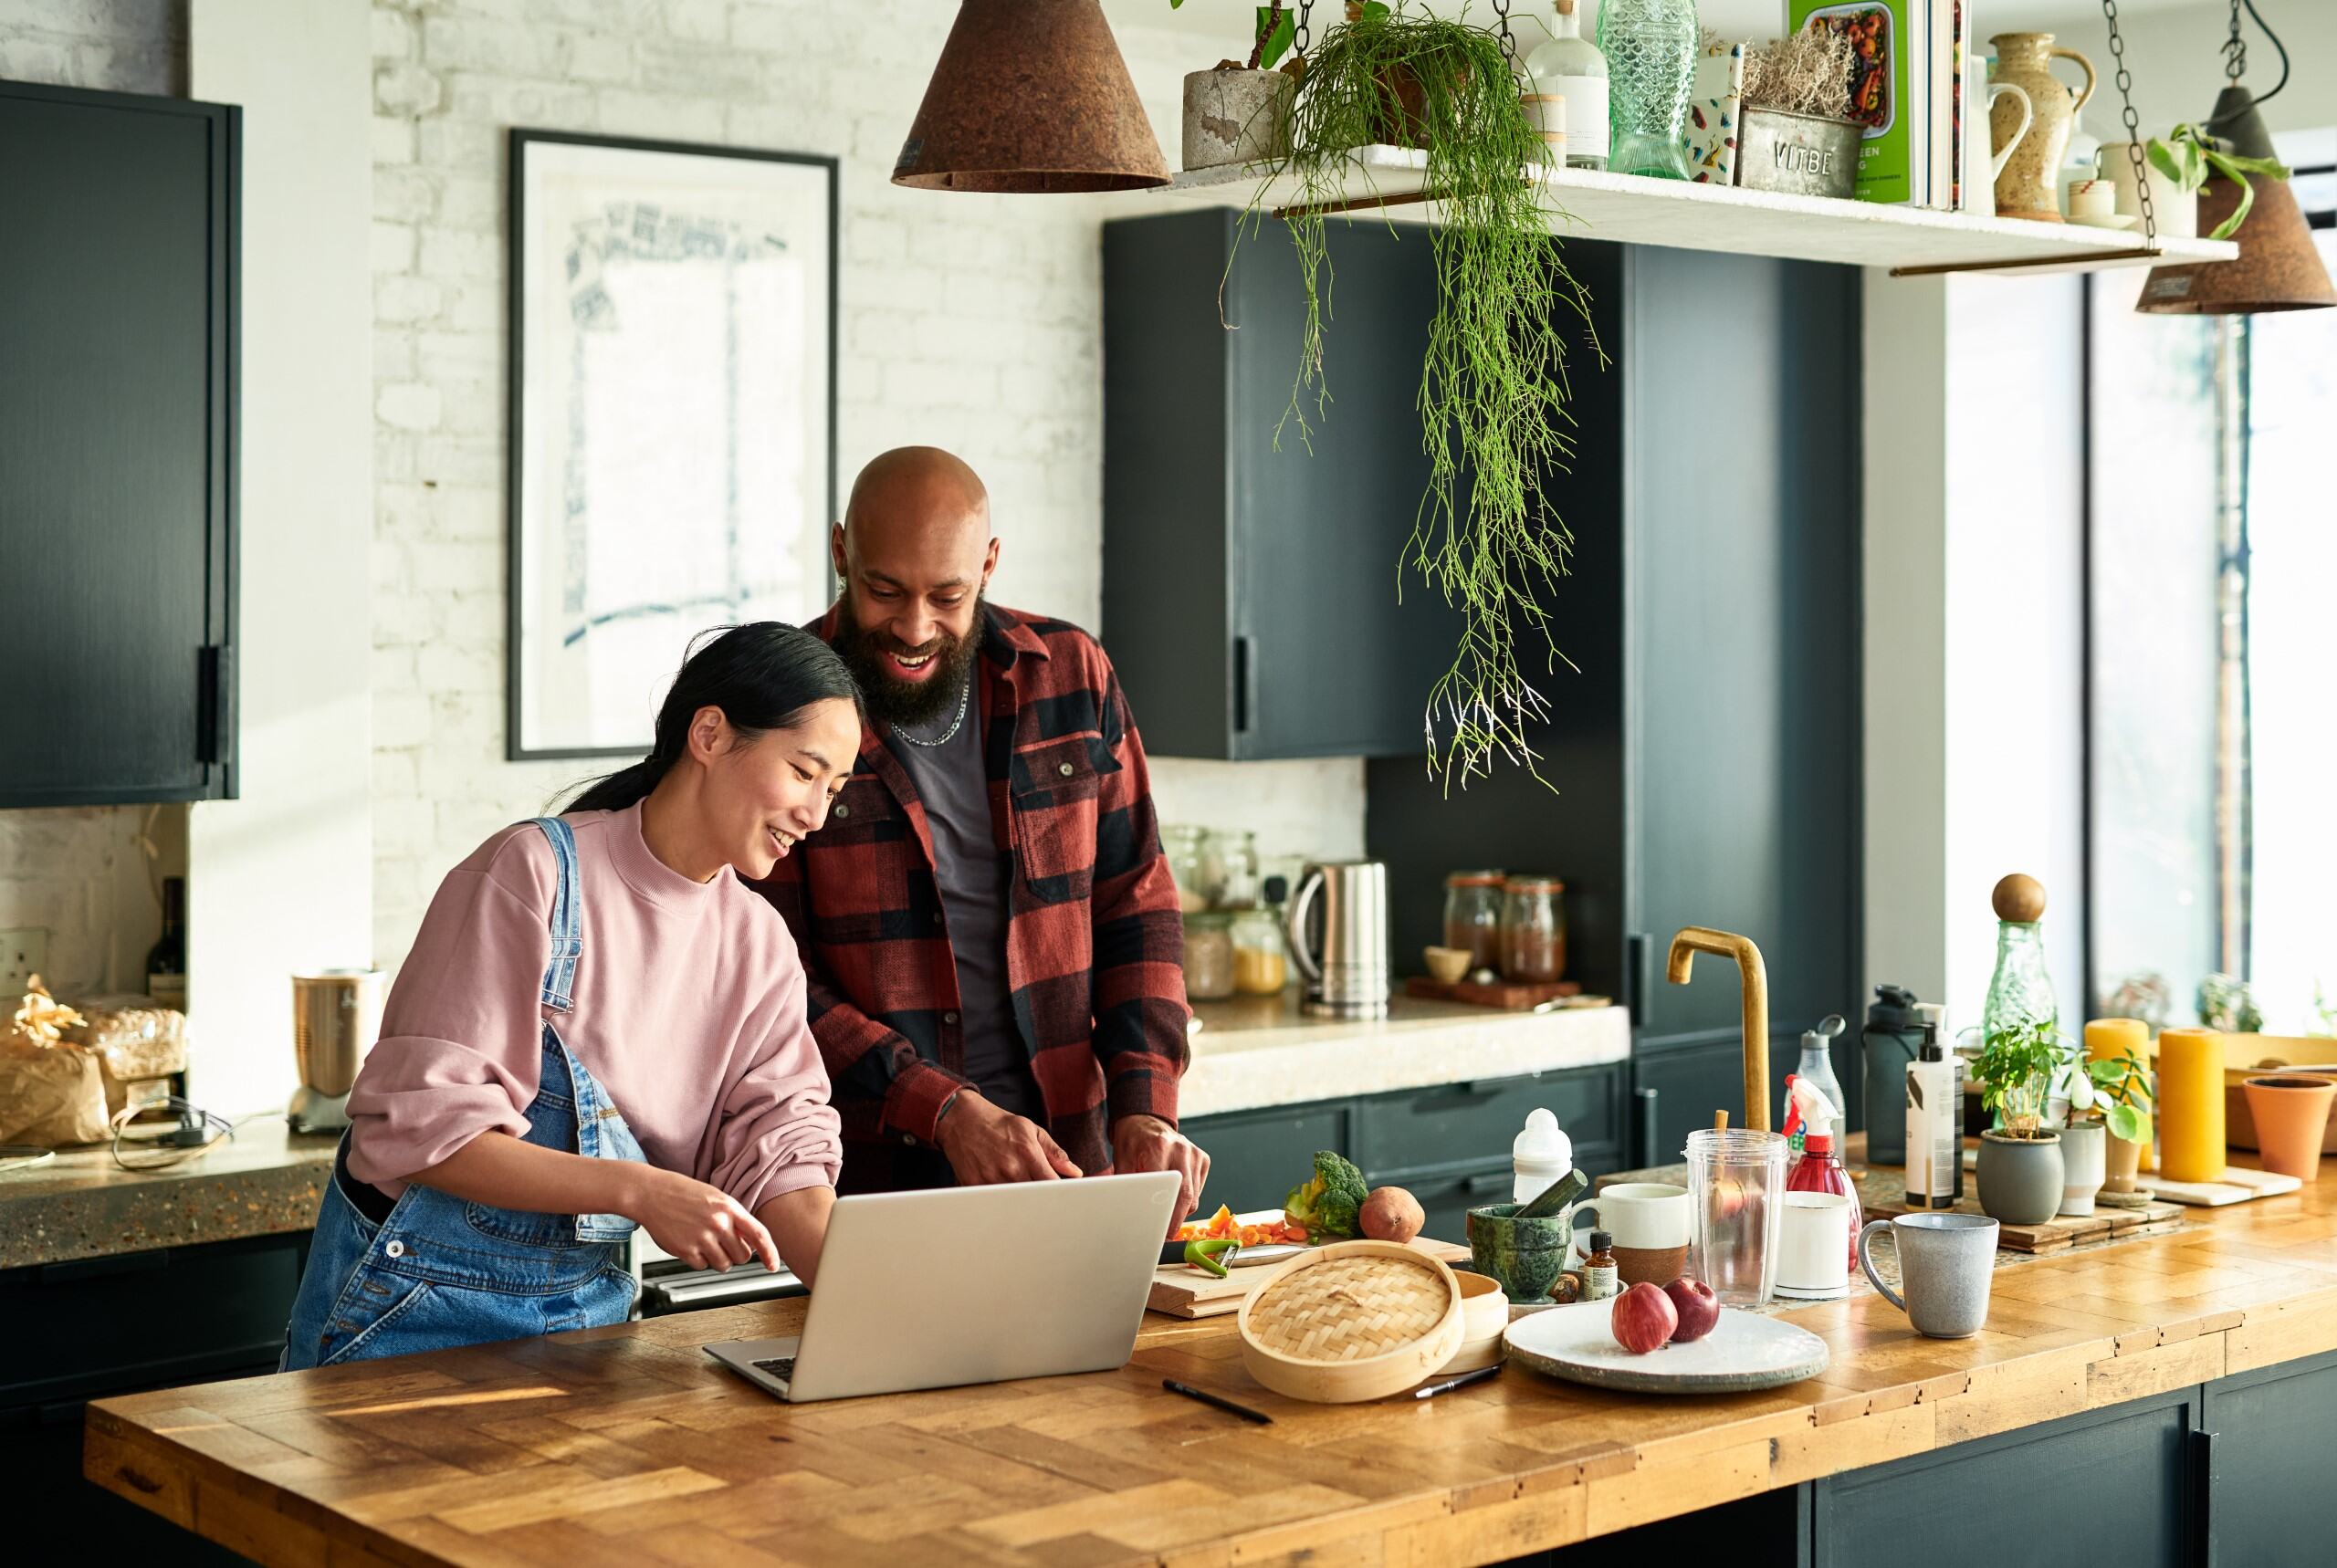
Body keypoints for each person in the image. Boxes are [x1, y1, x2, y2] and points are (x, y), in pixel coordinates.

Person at [279, 623, 861, 1371]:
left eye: (834, 790)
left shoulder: (760, 947)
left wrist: (886, 1311)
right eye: (804, 772)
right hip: (407, 1321)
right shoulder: (534, 874)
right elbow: (422, 1134)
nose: (816, 814)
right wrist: (641, 1192)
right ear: (711, 735)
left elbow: (783, 1156)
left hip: (589, 1329)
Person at [754, 446, 1210, 1219]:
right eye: (884, 589)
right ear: (841, 552)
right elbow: (769, 976)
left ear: (990, 563)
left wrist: (1146, 1103)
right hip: (870, 1180)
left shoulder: (1072, 676)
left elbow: (1136, 903)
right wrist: (942, 1107)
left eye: (948, 594)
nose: (913, 626)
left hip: (1069, 1162)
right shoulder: (782, 708)